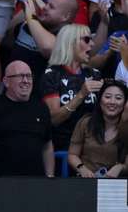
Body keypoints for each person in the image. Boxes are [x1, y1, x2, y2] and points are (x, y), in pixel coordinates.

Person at [0, 60, 54, 177]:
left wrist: (49, 176)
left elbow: (47, 146)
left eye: (28, 76)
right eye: (20, 76)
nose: (26, 80)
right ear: (6, 81)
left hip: (35, 184)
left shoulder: (41, 108)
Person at [41, 24, 103, 152]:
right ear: (70, 42)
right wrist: (81, 95)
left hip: (91, 146)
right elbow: (54, 120)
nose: (92, 44)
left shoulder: (94, 74)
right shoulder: (52, 75)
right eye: (86, 39)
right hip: (62, 146)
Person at [68, 79, 128, 178]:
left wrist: (120, 167)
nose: (112, 102)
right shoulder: (86, 122)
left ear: (125, 103)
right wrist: (82, 168)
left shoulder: (126, 128)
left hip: (115, 186)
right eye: (107, 97)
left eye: (118, 98)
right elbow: (72, 155)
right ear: (100, 100)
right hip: (86, 182)